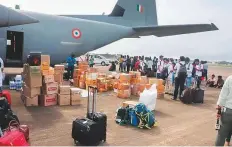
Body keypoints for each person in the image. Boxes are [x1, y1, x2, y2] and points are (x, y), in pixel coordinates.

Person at [215, 75, 232, 146]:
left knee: (221, 135)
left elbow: (223, 95)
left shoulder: (230, 78)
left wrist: (219, 110)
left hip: (228, 111)